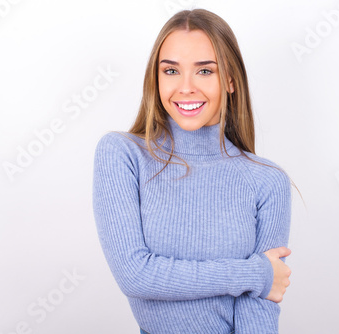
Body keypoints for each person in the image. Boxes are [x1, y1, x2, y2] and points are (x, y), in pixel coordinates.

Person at [93, 8, 295, 334]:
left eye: (204, 71)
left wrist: (261, 280)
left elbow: (258, 307)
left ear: (230, 80)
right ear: (156, 78)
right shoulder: (123, 155)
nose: (186, 87)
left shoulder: (267, 180)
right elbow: (134, 274)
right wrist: (255, 274)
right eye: (171, 71)